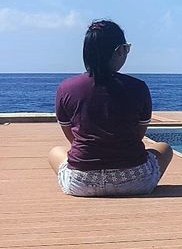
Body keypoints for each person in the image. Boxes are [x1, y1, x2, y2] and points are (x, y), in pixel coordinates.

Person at [48, 20, 173, 197]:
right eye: (126, 48)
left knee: (55, 152)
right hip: (136, 181)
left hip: (82, 183)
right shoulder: (138, 87)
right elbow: (138, 134)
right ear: (119, 50)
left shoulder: (66, 88)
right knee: (164, 148)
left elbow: (71, 136)